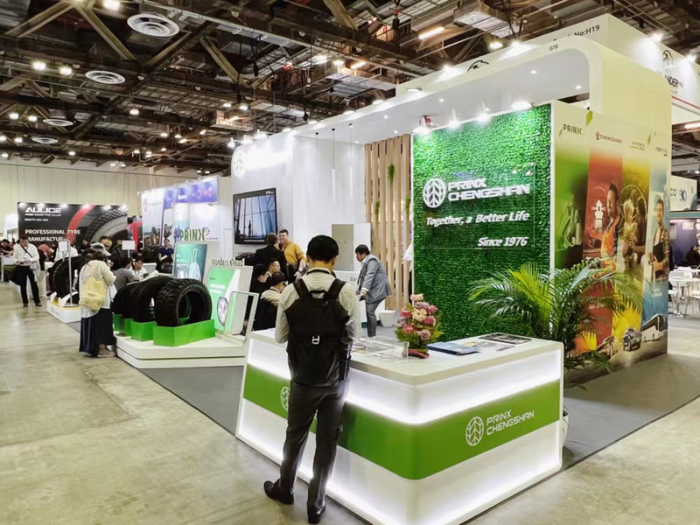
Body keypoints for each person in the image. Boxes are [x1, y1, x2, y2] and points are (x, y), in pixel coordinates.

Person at [264, 235, 359, 524]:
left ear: (308, 257)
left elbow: (280, 336)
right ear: (334, 259)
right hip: (336, 380)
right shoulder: (346, 291)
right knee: (327, 440)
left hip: (302, 378)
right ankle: (316, 504)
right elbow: (354, 336)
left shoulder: (292, 291)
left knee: (295, 436)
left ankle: (285, 489)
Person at [78, 243, 117, 358]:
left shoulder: (85, 266)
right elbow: (111, 280)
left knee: (90, 324)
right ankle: (102, 349)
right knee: (102, 325)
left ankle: (90, 349)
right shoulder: (101, 265)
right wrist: (111, 271)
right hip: (100, 301)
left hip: (87, 300)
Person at [355, 244, 391, 338]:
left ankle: (372, 336)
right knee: (368, 311)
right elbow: (363, 278)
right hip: (373, 289)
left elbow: (369, 275)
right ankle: (371, 335)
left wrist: (364, 290)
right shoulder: (366, 261)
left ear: (363, 254)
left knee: (370, 311)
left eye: (357, 254)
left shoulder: (372, 260)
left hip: (379, 290)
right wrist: (358, 291)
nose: (356, 257)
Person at [13, 235, 41, 308]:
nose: (23, 243)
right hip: (21, 267)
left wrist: (30, 260)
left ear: (28, 241)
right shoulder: (16, 247)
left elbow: (37, 256)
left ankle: (37, 301)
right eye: (22, 242)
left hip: (31, 267)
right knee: (23, 285)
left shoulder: (32, 247)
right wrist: (17, 261)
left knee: (34, 284)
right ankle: (25, 302)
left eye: (25, 242)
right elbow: (14, 257)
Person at [649, 199, 670, 280]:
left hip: (662, 278)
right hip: (655, 277)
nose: (658, 213)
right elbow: (656, 255)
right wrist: (651, 256)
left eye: (660, 210)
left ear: (663, 213)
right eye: (657, 210)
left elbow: (668, 259)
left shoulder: (665, 232)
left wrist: (659, 265)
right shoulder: (656, 231)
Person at [601, 184, 622, 259]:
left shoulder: (619, 224)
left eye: (611, 201)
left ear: (616, 203)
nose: (608, 205)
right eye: (607, 201)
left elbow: (618, 254)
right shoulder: (607, 223)